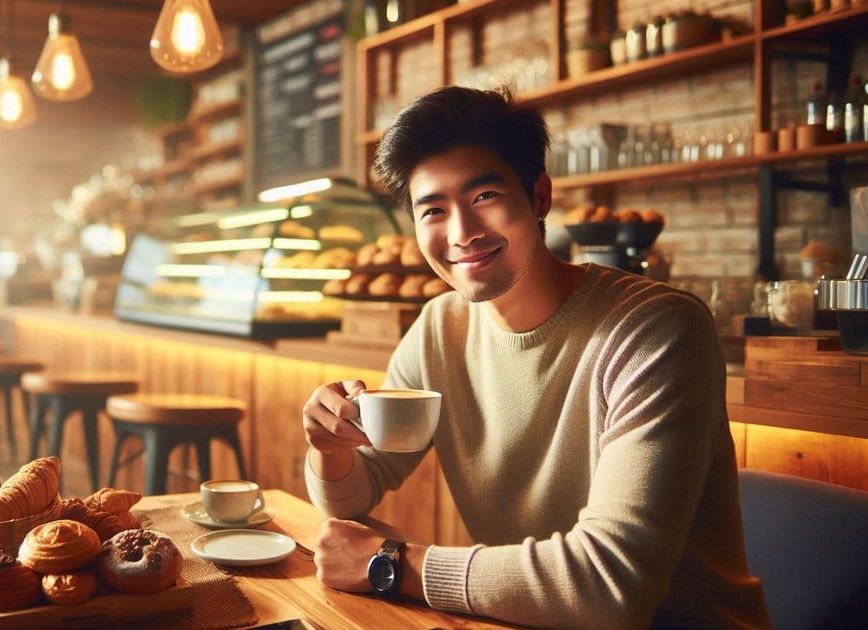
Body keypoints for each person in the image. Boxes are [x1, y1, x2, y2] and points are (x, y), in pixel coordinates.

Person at [301, 86, 770, 629]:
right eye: (433, 209)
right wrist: (330, 447)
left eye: (484, 197)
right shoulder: (438, 328)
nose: (461, 233)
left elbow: (611, 586)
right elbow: (357, 490)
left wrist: (393, 564)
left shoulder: (655, 329)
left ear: (540, 197)